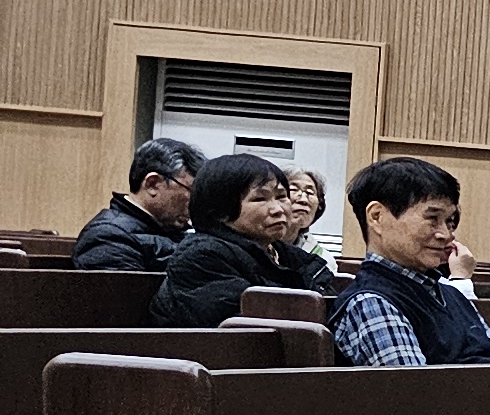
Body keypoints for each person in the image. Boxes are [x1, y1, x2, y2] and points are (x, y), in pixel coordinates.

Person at [328, 157, 490, 367]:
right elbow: (413, 386)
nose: (446, 234)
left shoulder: (452, 295)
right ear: (377, 216)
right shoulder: (371, 303)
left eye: (450, 222)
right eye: (432, 218)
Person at [152, 151, 340, 325]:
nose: (278, 209)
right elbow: (250, 324)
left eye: (282, 197)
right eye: (260, 199)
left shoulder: (287, 255)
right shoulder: (201, 256)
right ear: (221, 210)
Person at [73, 138, 200, 269]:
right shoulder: (107, 237)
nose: (196, 204)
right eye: (192, 192)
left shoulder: (171, 229)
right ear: (153, 184)